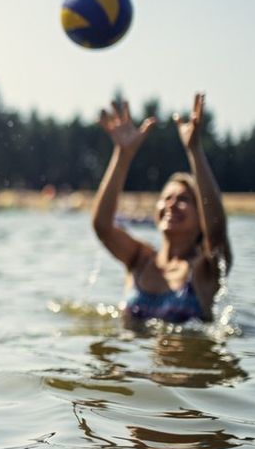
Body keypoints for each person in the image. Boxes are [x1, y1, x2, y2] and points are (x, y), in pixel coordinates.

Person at [91, 93, 231, 326]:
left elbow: (216, 231)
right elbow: (102, 226)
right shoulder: (139, 259)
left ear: (200, 218)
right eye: (166, 198)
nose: (171, 204)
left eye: (183, 199)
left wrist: (195, 150)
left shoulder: (204, 270)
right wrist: (122, 155)